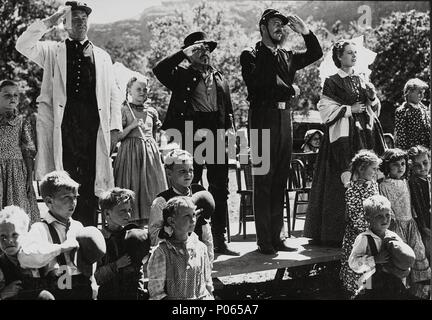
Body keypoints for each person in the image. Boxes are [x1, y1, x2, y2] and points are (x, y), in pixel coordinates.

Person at [15, 1, 122, 227]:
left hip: (93, 131)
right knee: (65, 185)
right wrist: (49, 22)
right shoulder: (53, 51)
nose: (80, 21)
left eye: (84, 18)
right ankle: (64, 239)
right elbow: (23, 44)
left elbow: (113, 94)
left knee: (93, 186)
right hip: (64, 131)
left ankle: (89, 240)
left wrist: (114, 130)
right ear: (64, 23)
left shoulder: (102, 56)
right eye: (74, 18)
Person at [240, 9, 323, 254]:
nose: (280, 29)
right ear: (263, 26)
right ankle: (264, 240)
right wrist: (289, 88)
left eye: (283, 25)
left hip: (284, 118)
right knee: (263, 178)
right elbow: (259, 85)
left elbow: (315, 53)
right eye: (275, 24)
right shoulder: (251, 54)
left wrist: (306, 32)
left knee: (279, 179)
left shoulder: (287, 55)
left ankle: (278, 236)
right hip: (262, 117)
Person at [153, 31, 237, 255]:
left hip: (217, 134)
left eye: (207, 49)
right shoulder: (180, 74)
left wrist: (230, 130)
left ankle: (220, 239)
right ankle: (192, 237)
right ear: (189, 53)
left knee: (221, 188)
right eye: (199, 49)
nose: (205, 53)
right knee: (191, 186)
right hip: (190, 132)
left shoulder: (219, 76)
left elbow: (227, 109)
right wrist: (182, 53)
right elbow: (158, 70)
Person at [303, 40, 386, 247]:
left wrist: (373, 98)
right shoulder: (332, 81)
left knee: (367, 174)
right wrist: (349, 109)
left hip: (364, 134)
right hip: (342, 138)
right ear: (339, 57)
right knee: (342, 178)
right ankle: (336, 233)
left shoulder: (362, 78)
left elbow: (373, 109)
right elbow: (325, 109)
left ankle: (370, 226)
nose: (353, 56)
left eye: (355, 53)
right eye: (349, 53)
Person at [17, 170, 97, 300]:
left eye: (75, 197)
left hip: (81, 287)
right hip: (57, 289)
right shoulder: (40, 229)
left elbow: (89, 259)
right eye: (66, 197)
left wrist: (93, 281)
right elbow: (24, 257)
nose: (73, 202)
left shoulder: (79, 227)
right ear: (49, 202)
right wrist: (61, 248)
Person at [113, 76, 167, 222]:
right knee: (132, 186)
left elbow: (154, 135)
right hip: (130, 155)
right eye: (138, 89)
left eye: (145, 89)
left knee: (150, 188)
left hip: (149, 155)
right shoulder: (124, 109)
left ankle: (151, 222)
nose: (142, 92)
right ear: (129, 90)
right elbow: (118, 136)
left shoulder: (152, 111)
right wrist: (132, 126)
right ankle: (131, 223)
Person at [379, 148, 431, 299]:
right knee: (401, 256)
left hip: (411, 224)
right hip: (397, 226)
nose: (401, 167)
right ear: (388, 166)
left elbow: (412, 203)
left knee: (419, 251)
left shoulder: (406, 182)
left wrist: (415, 219)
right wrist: (392, 221)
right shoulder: (384, 185)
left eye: (403, 164)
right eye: (396, 165)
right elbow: (386, 205)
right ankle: (400, 289)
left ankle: (420, 290)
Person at [149, 149, 216, 262]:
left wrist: (209, 259)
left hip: (197, 256)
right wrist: (175, 227)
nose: (188, 175)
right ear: (169, 173)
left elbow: (206, 231)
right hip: (172, 258)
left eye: (191, 170)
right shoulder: (162, 201)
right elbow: (154, 237)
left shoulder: (199, 195)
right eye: (182, 171)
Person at [147, 196, 213, 300]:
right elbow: (156, 294)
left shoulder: (200, 248)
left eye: (194, 215)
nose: (193, 220)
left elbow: (207, 283)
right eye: (187, 216)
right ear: (172, 221)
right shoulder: (162, 253)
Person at [348, 195, 414, 300]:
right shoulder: (364, 238)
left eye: (387, 215)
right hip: (370, 282)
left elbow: (402, 258)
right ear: (368, 218)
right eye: (379, 216)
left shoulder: (393, 236)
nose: (385, 219)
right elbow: (353, 263)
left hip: (392, 282)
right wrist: (374, 260)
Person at [339, 150, 381, 296]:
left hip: (374, 234)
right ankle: (358, 294)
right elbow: (357, 217)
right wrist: (371, 232)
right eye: (373, 169)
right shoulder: (352, 190)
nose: (376, 172)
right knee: (360, 270)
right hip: (360, 237)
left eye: (377, 169)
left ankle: (367, 293)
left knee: (370, 271)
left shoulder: (373, 185)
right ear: (361, 168)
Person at [95, 187, 149, 300]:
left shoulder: (132, 236)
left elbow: (138, 270)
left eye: (129, 210)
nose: (128, 215)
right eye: (122, 211)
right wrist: (116, 265)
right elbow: (96, 276)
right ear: (107, 213)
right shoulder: (99, 239)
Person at [0, 80, 39, 225]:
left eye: (16, 95)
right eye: (7, 95)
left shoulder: (22, 121)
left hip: (16, 174)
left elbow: (28, 152)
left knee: (18, 210)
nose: (12, 98)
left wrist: (29, 178)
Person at [0, 205, 54, 300]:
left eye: (14, 235)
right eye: (3, 236)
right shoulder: (1, 264)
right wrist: (2, 294)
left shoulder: (37, 256)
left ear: (25, 235)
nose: (9, 240)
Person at [407, 145, 431, 262]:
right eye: (417, 165)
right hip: (425, 224)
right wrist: (424, 226)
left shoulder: (428, 178)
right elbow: (418, 206)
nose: (422, 168)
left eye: (425, 163)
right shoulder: (414, 182)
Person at [394, 78, 430, 150]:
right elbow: (401, 136)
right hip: (412, 152)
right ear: (409, 92)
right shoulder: (402, 111)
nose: (422, 96)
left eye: (423, 93)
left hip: (426, 150)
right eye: (419, 92)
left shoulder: (424, 109)